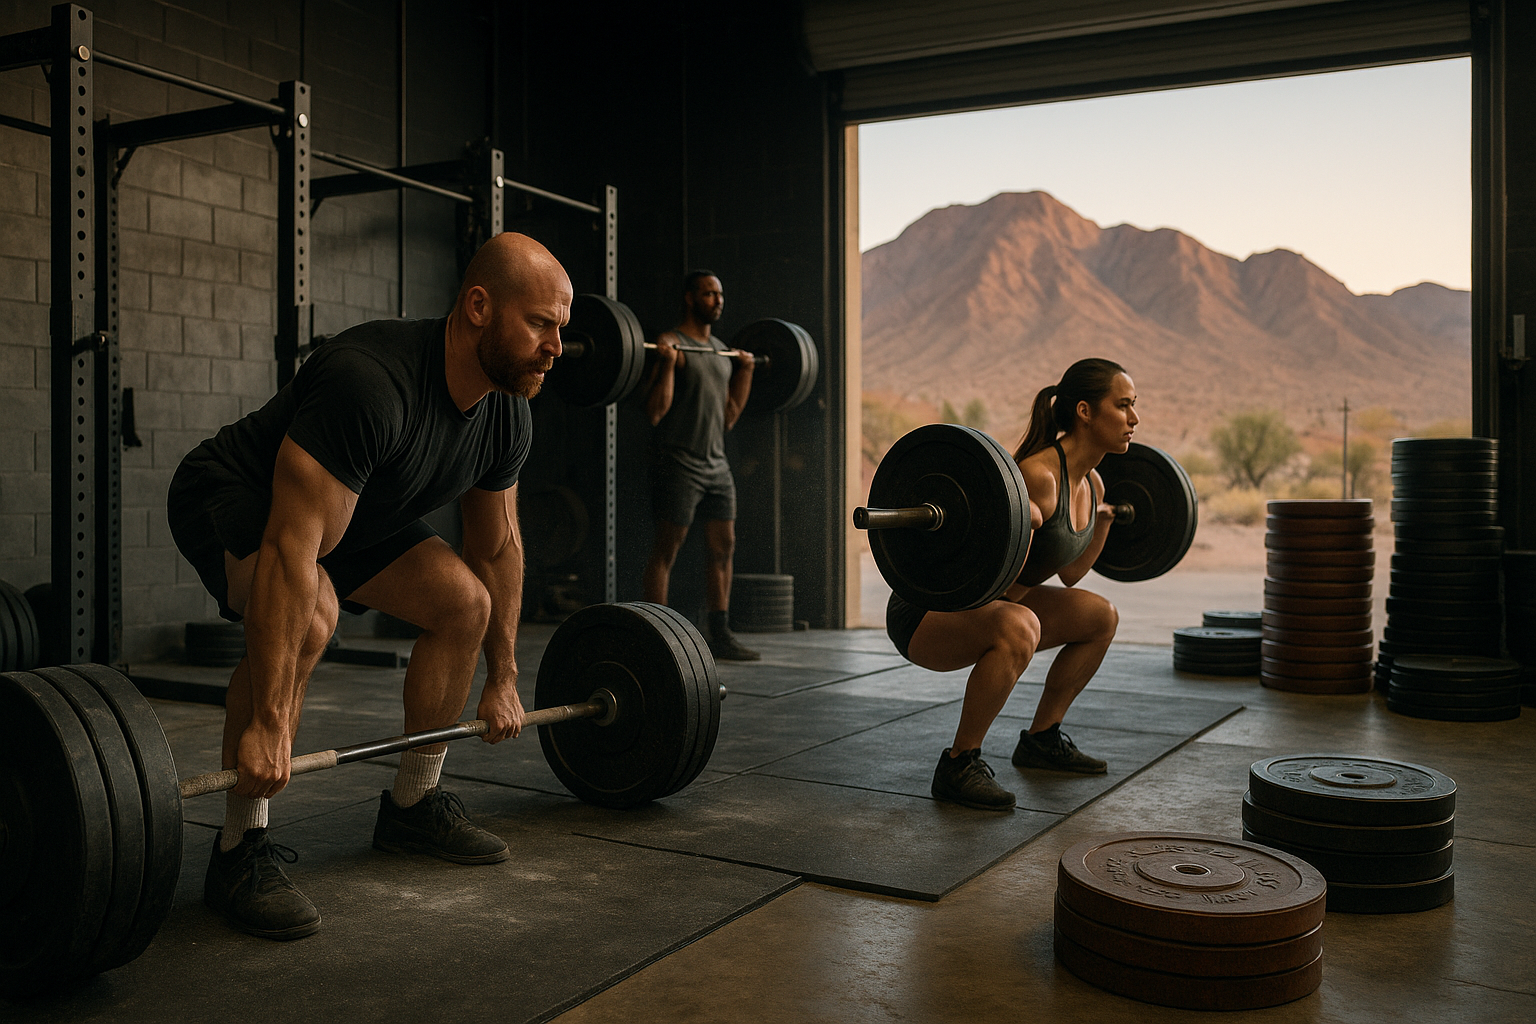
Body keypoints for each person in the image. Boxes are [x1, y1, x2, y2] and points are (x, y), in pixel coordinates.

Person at [166, 232, 568, 939]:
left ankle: (414, 808)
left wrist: (504, 674)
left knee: (463, 604)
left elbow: (496, 548)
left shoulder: (507, 412)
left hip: (359, 514)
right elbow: (293, 550)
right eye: (540, 322)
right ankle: (239, 848)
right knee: (315, 613)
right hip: (237, 494)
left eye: (560, 328)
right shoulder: (370, 381)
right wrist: (267, 723)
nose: (556, 346)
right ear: (478, 306)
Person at [884, 358, 1137, 811]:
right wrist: (1021, 527)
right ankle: (959, 763)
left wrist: (1104, 520)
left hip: (997, 605)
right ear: (1084, 411)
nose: (1134, 419)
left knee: (1100, 616)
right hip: (927, 610)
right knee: (1020, 625)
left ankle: (1042, 738)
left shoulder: (1092, 483)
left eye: (1133, 406)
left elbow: (1072, 573)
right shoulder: (1038, 475)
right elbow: (987, 562)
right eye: (1123, 406)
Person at [641, 270, 760, 661]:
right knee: (666, 549)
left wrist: (745, 371)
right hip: (681, 462)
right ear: (691, 298)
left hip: (716, 465)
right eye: (709, 294)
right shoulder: (673, 342)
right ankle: (655, 631)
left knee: (723, 547)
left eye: (720, 294)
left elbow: (728, 416)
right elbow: (657, 411)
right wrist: (668, 365)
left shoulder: (723, 353)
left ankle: (720, 633)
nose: (718, 300)